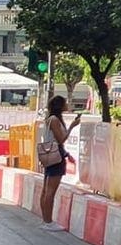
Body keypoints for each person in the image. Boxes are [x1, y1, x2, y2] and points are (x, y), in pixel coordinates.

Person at [40, 95, 79, 231]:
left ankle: (45, 220)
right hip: (56, 157)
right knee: (50, 190)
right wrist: (72, 127)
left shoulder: (50, 119)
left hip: (50, 155)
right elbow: (61, 139)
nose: (67, 104)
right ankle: (48, 221)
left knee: (46, 189)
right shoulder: (55, 120)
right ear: (60, 105)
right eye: (65, 103)